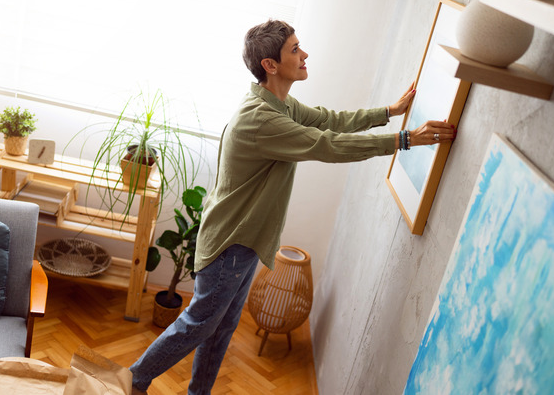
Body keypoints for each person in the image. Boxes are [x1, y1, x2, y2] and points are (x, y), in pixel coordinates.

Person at [129, 20, 455, 394]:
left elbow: (327, 120)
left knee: (220, 330)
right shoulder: (262, 119)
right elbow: (327, 145)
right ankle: (133, 381)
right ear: (270, 64)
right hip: (230, 245)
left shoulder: (278, 103)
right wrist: (404, 139)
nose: (304, 55)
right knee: (199, 324)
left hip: (244, 243)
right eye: (295, 50)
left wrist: (387, 111)